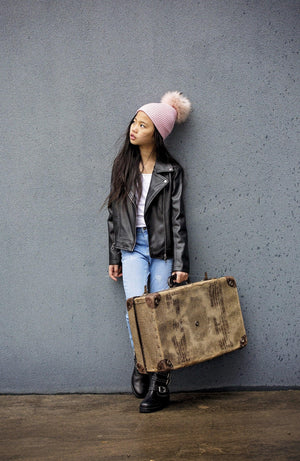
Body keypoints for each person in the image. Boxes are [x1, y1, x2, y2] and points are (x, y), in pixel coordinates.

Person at [107, 91, 191, 413]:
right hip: (132, 248)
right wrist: (115, 256)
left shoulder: (171, 171)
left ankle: (161, 385)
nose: (133, 128)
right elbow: (113, 216)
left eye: (142, 125)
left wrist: (181, 262)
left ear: (156, 133)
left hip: (161, 250)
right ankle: (143, 362)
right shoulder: (122, 166)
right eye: (134, 122)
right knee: (136, 309)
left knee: (161, 314)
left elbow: (178, 219)